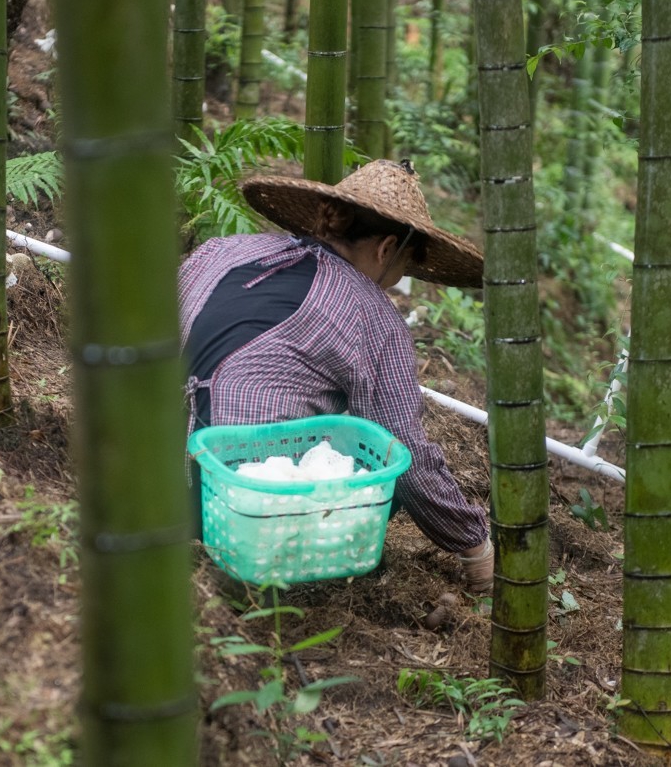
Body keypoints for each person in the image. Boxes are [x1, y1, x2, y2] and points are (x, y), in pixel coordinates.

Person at [179, 159, 494, 591]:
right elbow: (410, 458)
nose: (397, 280)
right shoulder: (373, 317)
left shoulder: (223, 250)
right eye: (405, 266)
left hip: (149, 467)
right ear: (386, 249)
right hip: (235, 509)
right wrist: (475, 546)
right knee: (381, 464)